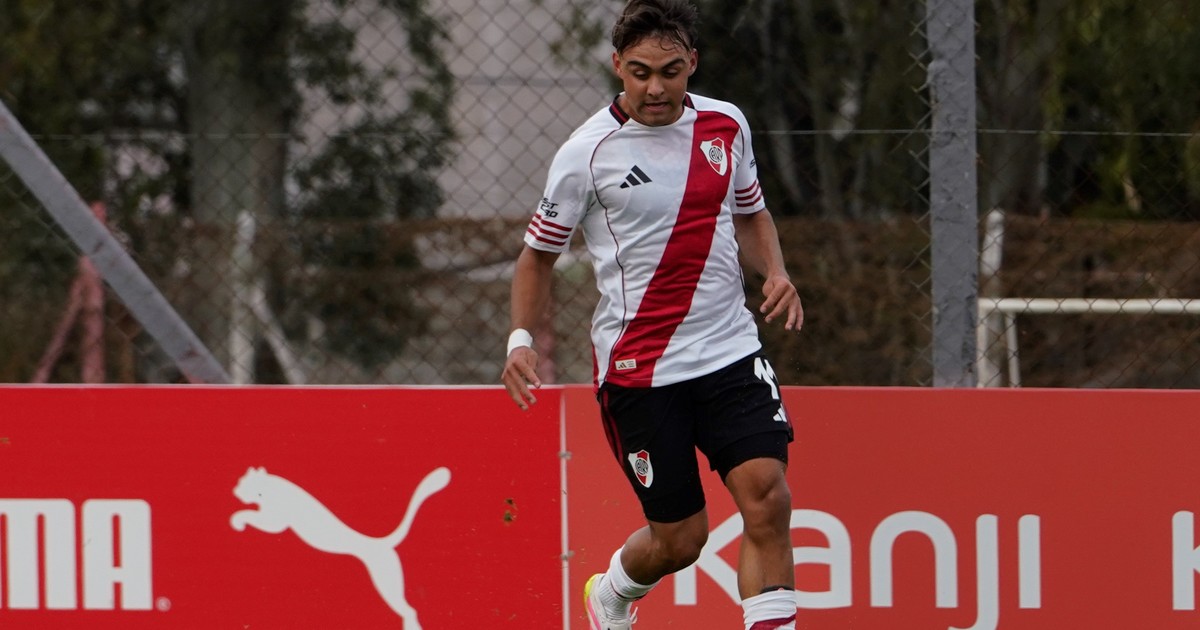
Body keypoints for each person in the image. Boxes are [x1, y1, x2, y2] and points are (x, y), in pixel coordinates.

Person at [501, 1, 802, 628]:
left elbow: (750, 212)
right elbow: (536, 258)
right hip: (640, 372)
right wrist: (520, 340)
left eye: (670, 71)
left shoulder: (726, 125)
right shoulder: (585, 154)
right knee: (681, 540)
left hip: (729, 351)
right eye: (640, 73)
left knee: (768, 500)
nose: (655, 88)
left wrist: (775, 271)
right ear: (618, 66)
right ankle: (611, 594)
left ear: (692, 62)